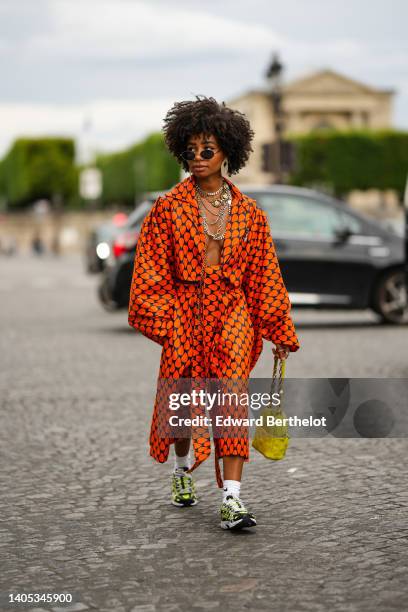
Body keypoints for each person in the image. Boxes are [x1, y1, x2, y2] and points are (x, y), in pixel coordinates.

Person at [128, 95, 300, 531]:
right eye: (191, 150)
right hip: (183, 314)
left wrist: (277, 327)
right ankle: (182, 470)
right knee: (183, 403)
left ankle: (232, 499)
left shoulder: (251, 214)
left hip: (233, 318)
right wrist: (168, 323)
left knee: (231, 402)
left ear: (228, 151)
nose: (198, 158)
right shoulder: (166, 209)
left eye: (208, 149)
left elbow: (264, 274)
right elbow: (149, 273)